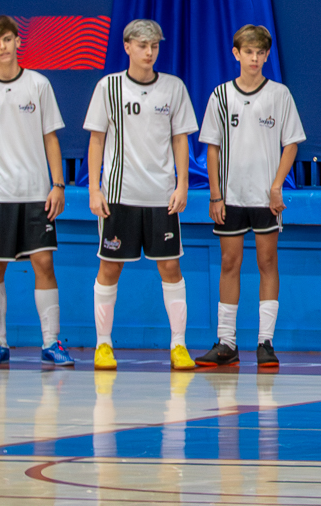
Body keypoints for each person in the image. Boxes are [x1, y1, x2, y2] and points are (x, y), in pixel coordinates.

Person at [0, 16, 70, 366]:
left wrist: (58, 184)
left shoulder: (38, 84)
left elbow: (51, 138)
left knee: (44, 263)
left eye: (7, 39)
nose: (2, 46)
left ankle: (51, 343)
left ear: (18, 41)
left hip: (36, 193)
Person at [84, 20, 194, 373]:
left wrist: (182, 185)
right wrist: (94, 189)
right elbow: (97, 139)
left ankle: (178, 345)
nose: (149, 52)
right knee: (109, 267)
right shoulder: (109, 87)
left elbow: (180, 139)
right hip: (119, 195)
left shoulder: (174, 87)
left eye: (155, 46)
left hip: (161, 196)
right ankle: (103, 345)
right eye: (143, 45)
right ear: (127, 46)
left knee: (171, 267)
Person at [196, 24, 306, 368]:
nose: (254, 58)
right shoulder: (220, 95)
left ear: (267, 55)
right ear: (236, 54)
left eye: (260, 53)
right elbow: (212, 148)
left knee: (267, 263)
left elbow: (291, 144)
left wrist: (276, 187)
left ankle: (265, 343)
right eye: (248, 52)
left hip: (265, 198)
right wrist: (216, 195)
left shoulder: (279, 94)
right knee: (229, 263)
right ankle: (226, 343)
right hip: (230, 197)